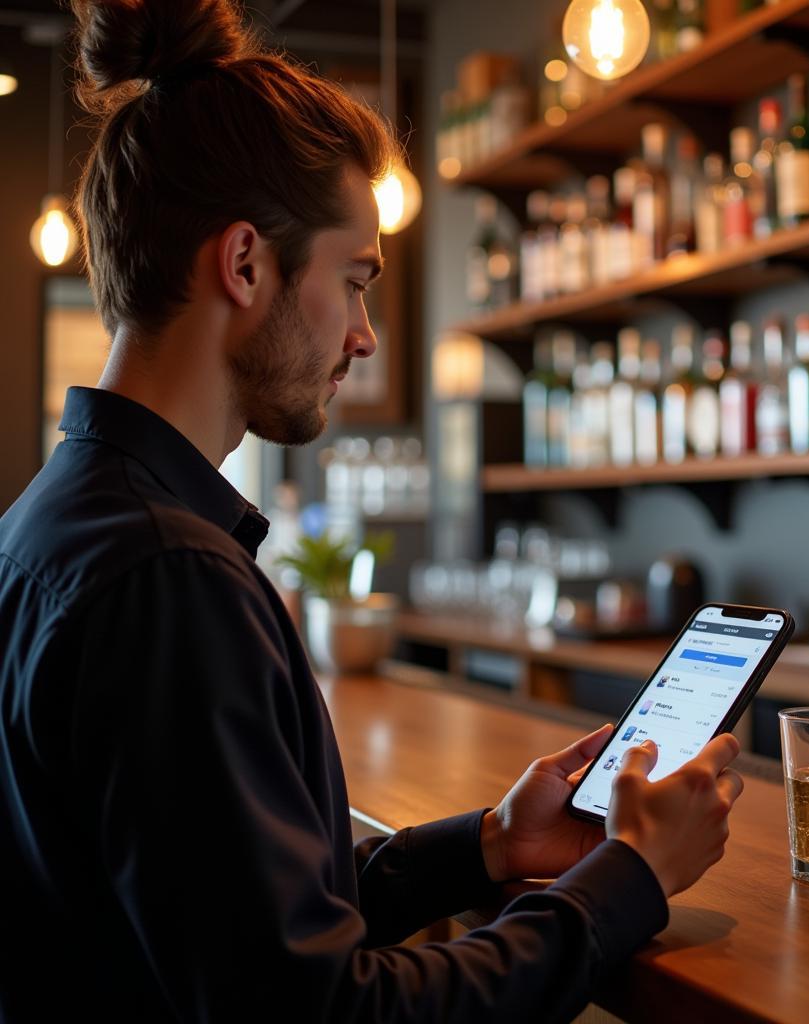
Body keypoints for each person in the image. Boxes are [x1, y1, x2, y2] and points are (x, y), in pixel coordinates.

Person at [0, 1, 744, 1020]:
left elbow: (225, 921)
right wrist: (628, 883)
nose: (364, 336)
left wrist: (487, 844)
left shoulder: (53, 519)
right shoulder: (168, 577)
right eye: (354, 283)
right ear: (246, 263)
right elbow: (327, 1013)